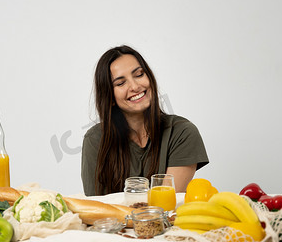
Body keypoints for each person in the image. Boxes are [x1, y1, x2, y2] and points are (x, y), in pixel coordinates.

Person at [81, 45, 209, 196]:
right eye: (121, 83)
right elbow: (97, 210)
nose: (135, 86)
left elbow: (163, 204)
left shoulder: (182, 133)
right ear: (110, 97)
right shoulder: (95, 140)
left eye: (139, 74)